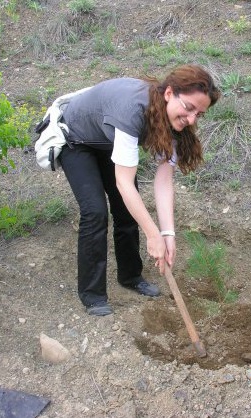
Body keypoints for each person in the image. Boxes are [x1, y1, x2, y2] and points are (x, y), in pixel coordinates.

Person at [56, 65, 221, 316]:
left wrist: (167, 233)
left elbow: (164, 181)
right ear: (169, 93)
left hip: (107, 138)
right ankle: (93, 295)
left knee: (125, 209)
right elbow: (123, 182)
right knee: (95, 211)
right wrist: (153, 235)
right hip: (77, 139)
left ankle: (130, 276)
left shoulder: (174, 124)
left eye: (199, 114)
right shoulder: (133, 110)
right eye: (188, 108)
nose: (191, 120)